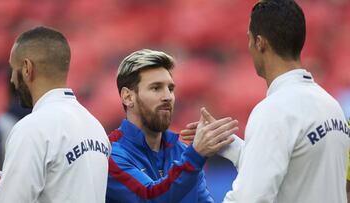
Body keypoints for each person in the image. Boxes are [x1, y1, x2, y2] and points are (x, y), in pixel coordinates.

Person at [182, 0, 350, 202]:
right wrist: (231, 145)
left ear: (260, 42)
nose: (249, 45)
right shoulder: (332, 106)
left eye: (249, 38)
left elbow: (249, 198)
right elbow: (297, 169)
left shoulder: (274, 111)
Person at [0, 26, 110, 202]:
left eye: (13, 69)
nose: (12, 79)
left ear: (27, 68)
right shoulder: (96, 127)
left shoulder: (32, 128)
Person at [106, 49, 239, 203]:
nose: (168, 97)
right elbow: (149, 197)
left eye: (170, 89)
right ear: (128, 97)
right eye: (156, 88)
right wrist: (196, 156)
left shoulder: (182, 152)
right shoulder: (112, 155)